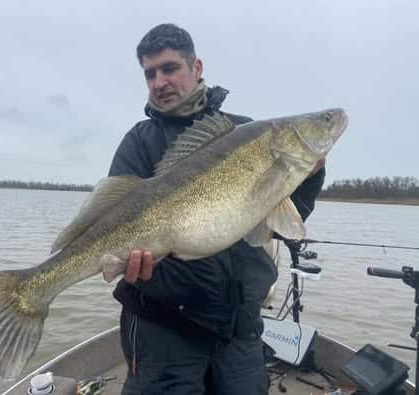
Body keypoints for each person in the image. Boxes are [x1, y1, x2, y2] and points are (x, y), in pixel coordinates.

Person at [108, 23, 325, 395]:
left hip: (239, 330)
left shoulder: (243, 132)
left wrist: (307, 178)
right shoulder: (139, 143)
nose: (159, 81)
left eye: (170, 68)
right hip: (163, 333)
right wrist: (130, 265)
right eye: (150, 73)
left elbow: (282, 222)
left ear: (197, 68)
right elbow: (111, 220)